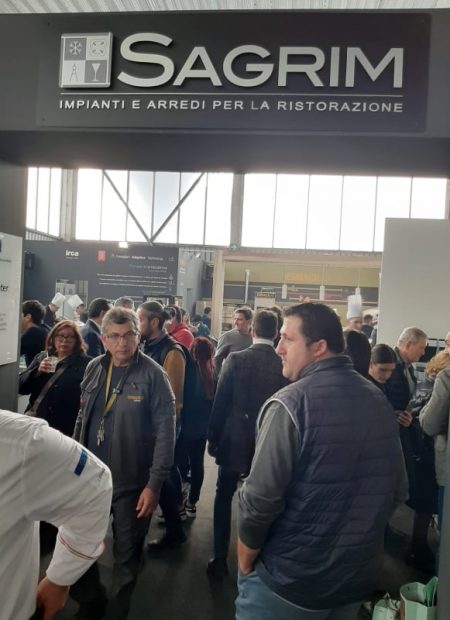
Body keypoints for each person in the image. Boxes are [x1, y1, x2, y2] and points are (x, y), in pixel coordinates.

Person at [236, 303, 399, 620]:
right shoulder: (378, 400)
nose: (279, 348)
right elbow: (396, 490)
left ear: (319, 347)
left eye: (288, 339)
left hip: (288, 582)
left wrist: (245, 554)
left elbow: (259, 500)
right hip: (354, 579)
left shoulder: (290, 405)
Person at [71, 307, 176, 620]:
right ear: (104, 339)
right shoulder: (94, 368)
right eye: (114, 336)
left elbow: (166, 435)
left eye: (129, 335)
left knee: (126, 557)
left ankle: (117, 613)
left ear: (138, 336)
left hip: (131, 484)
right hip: (90, 480)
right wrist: (72, 465)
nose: (122, 343)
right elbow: (81, 419)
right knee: (77, 545)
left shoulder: (154, 376)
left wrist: (154, 485)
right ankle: (92, 600)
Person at [0, 409, 112, 620]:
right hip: (46, 481)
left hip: (49, 473)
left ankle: (93, 601)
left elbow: (95, 482)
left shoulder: (20, 443)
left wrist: (60, 578)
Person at [207, 310, 288, 578]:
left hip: (235, 440)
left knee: (223, 494)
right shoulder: (283, 364)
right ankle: (256, 560)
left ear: (253, 330)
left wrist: (213, 438)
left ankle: (219, 557)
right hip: (269, 443)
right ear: (275, 333)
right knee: (264, 501)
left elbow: (220, 403)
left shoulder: (236, 359)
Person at [384, 326, 436, 571]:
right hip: (391, 436)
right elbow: (383, 398)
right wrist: (394, 415)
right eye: (422, 347)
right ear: (408, 345)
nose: (424, 352)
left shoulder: (407, 368)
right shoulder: (391, 366)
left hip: (403, 433)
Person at [138, 300, 188, 551]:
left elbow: (173, 401)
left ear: (154, 322)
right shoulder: (147, 346)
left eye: (140, 320)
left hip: (163, 425)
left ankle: (175, 530)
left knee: (164, 474)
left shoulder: (172, 352)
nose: (137, 325)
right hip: (148, 423)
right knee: (166, 473)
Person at [19, 320, 91, 437]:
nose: (64, 340)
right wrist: (36, 372)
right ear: (52, 338)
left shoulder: (86, 363)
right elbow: (21, 388)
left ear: (77, 341)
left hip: (64, 427)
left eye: (70, 337)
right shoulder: (42, 357)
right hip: (36, 421)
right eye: (60, 336)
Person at [177, 336, 216, 518]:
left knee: (180, 465)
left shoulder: (189, 373)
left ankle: (179, 501)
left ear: (192, 352)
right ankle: (192, 503)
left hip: (184, 428)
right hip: (201, 430)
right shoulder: (213, 374)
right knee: (197, 464)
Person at [214, 306, 253, 374]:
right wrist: (219, 377)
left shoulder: (255, 337)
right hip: (232, 377)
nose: (235, 322)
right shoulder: (227, 337)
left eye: (239, 319)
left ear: (249, 321)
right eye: (235, 319)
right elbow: (217, 360)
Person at [21, 299, 49, 367]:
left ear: (28, 317)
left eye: (20, 315)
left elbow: (11, 353)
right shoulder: (46, 329)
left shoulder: (32, 334)